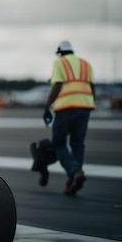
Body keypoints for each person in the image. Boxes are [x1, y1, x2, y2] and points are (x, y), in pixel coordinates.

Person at [43, 40, 95, 195]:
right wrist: (90, 103)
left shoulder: (60, 62)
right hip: (85, 107)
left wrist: (47, 107)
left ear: (60, 52)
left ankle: (75, 171)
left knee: (58, 143)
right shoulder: (86, 64)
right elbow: (92, 87)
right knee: (78, 144)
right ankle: (74, 178)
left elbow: (57, 85)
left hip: (66, 108)